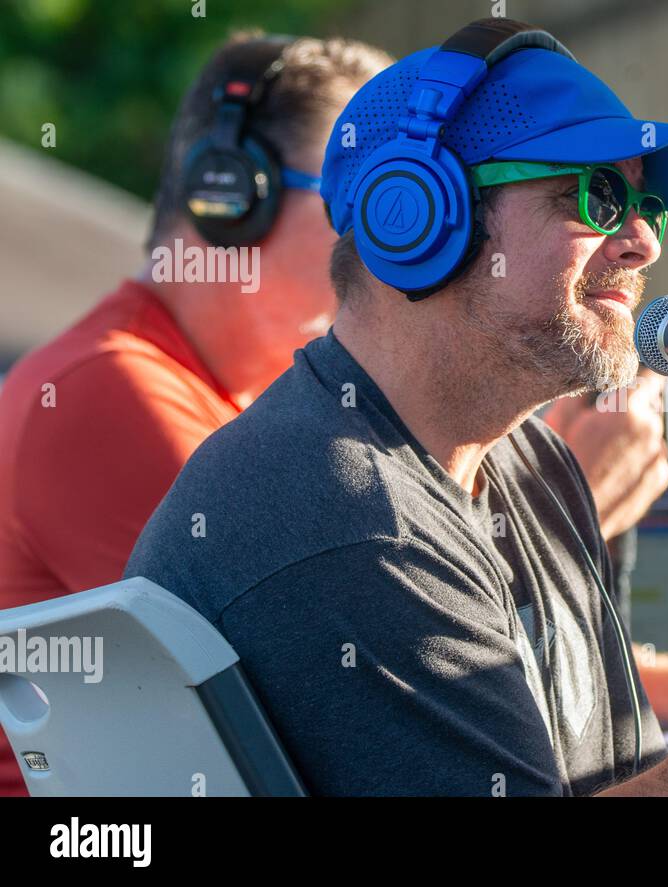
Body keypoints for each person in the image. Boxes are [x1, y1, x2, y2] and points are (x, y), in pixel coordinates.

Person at [125, 18, 668, 795]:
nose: (646, 240)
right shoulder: (344, 514)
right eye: (593, 197)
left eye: (646, 205)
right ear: (418, 217)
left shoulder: (528, 461)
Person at [0, 33, 393, 797]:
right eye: (362, 199)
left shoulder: (233, 400)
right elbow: (354, 700)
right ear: (230, 195)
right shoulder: (112, 392)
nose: (394, 243)